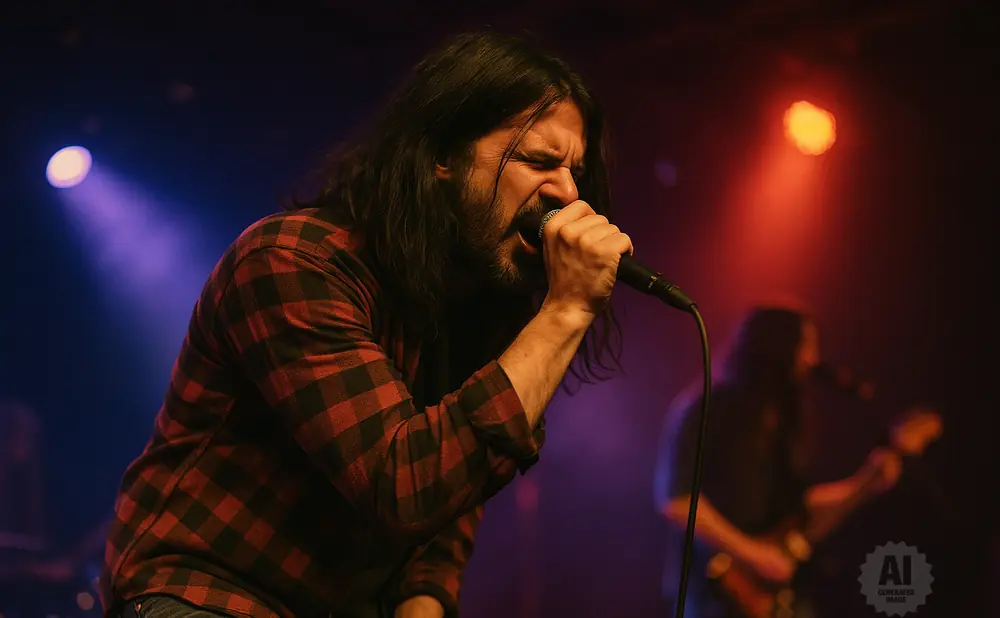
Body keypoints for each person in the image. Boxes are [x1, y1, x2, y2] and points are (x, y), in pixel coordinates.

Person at [101, 31, 633, 618]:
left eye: (574, 170)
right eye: (537, 160)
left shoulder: (477, 300)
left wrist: (425, 597)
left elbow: (452, 491)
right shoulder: (292, 262)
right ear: (443, 157)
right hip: (208, 594)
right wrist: (567, 310)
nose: (566, 192)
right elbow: (403, 485)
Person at [653, 305, 904, 618]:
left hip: (778, 598)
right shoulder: (705, 408)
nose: (812, 360)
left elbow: (800, 514)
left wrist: (865, 484)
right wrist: (754, 555)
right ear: (777, 348)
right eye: (806, 347)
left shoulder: (785, 424)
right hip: (712, 594)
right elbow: (677, 500)